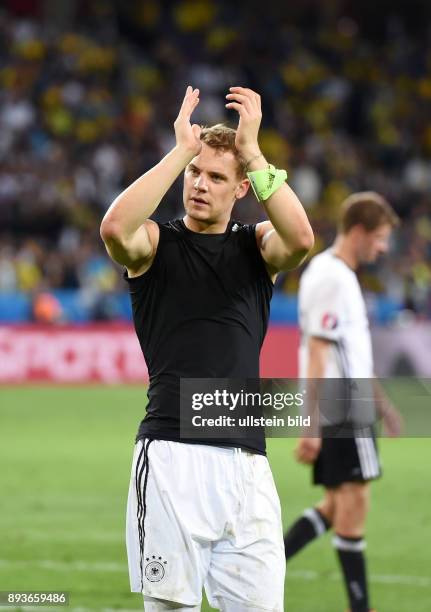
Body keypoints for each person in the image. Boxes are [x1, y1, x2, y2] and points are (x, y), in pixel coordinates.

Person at [100, 85, 314, 612]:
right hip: (173, 457)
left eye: (216, 177)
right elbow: (114, 227)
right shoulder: (156, 245)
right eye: (196, 173)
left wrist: (256, 153)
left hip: (247, 465)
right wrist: (180, 153)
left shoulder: (254, 247)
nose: (200, 185)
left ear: (241, 188)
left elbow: (302, 238)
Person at [283, 192, 402, 612]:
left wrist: (384, 406)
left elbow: (350, 353)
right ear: (359, 232)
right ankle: (360, 608)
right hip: (343, 408)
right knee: (355, 504)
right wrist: (309, 425)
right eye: (381, 237)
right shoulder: (331, 276)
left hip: (352, 405)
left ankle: (263, 567)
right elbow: (317, 352)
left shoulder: (340, 275)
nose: (383, 247)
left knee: (335, 506)